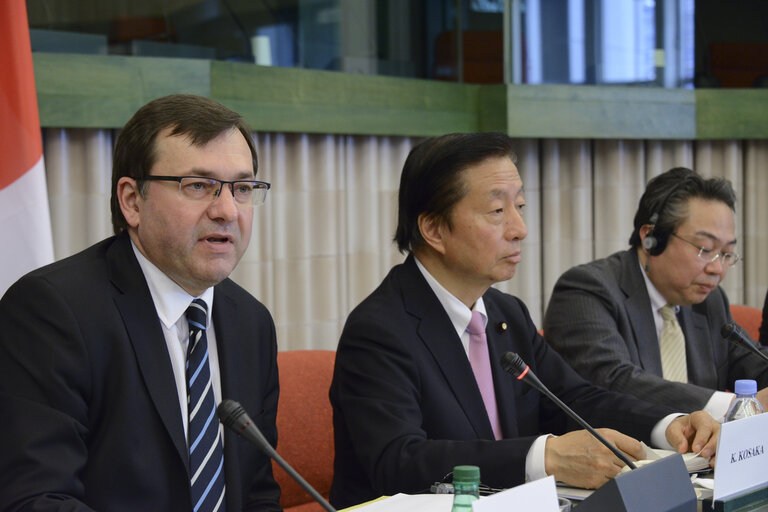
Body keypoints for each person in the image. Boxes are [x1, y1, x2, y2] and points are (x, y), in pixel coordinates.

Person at [329, 133, 720, 509]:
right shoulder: (380, 329)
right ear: (433, 229)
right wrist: (545, 456)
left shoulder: (505, 314)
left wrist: (669, 424)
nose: (520, 230)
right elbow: (400, 460)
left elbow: (575, 399)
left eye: (520, 207)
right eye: (498, 211)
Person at [0, 94, 281, 511]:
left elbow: (257, 494)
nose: (227, 210)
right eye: (198, 185)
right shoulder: (53, 311)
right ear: (132, 200)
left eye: (242, 188)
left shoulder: (251, 322)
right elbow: (37, 499)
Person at [544, 167, 768, 418]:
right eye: (705, 249)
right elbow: (614, 382)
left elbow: (755, 364)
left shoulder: (709, 300)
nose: (717, 268)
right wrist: (732, 406)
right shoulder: (586, 290)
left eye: (726, 254)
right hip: (623, 453)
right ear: (651, 238)